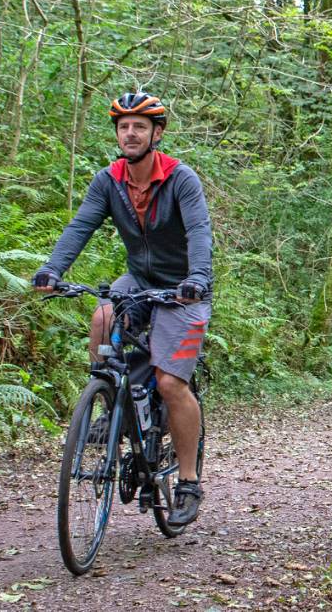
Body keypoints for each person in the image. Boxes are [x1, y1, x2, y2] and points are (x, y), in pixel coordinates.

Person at [32, 91, 212, 526]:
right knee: (102, 314)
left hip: (184, 287)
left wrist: (198, 278)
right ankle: (109, 400)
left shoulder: (180, 178)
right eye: (123, 126)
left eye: (139, 127)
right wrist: (51, 269)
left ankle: (187, 482)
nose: (130, 133)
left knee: (170, 382)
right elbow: (81, 226)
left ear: (157, 133)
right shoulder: (108, 180)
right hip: (139, 279)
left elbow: (199, 231)